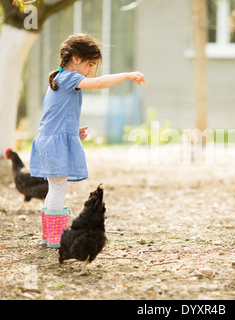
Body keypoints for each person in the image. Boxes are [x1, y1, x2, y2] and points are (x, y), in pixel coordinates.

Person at [30, 33, 145, 247]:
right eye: (90, 64)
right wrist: (128, 75)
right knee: (58, 188)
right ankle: (55, 237)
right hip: (53, 143)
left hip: (49, 139)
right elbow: (100, 83)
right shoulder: (69, 78)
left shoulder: (59, 79)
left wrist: (73, 131)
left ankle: (50, 234)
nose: (91, 70)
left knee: (55, 187)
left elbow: (56, 115)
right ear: (75, 58)